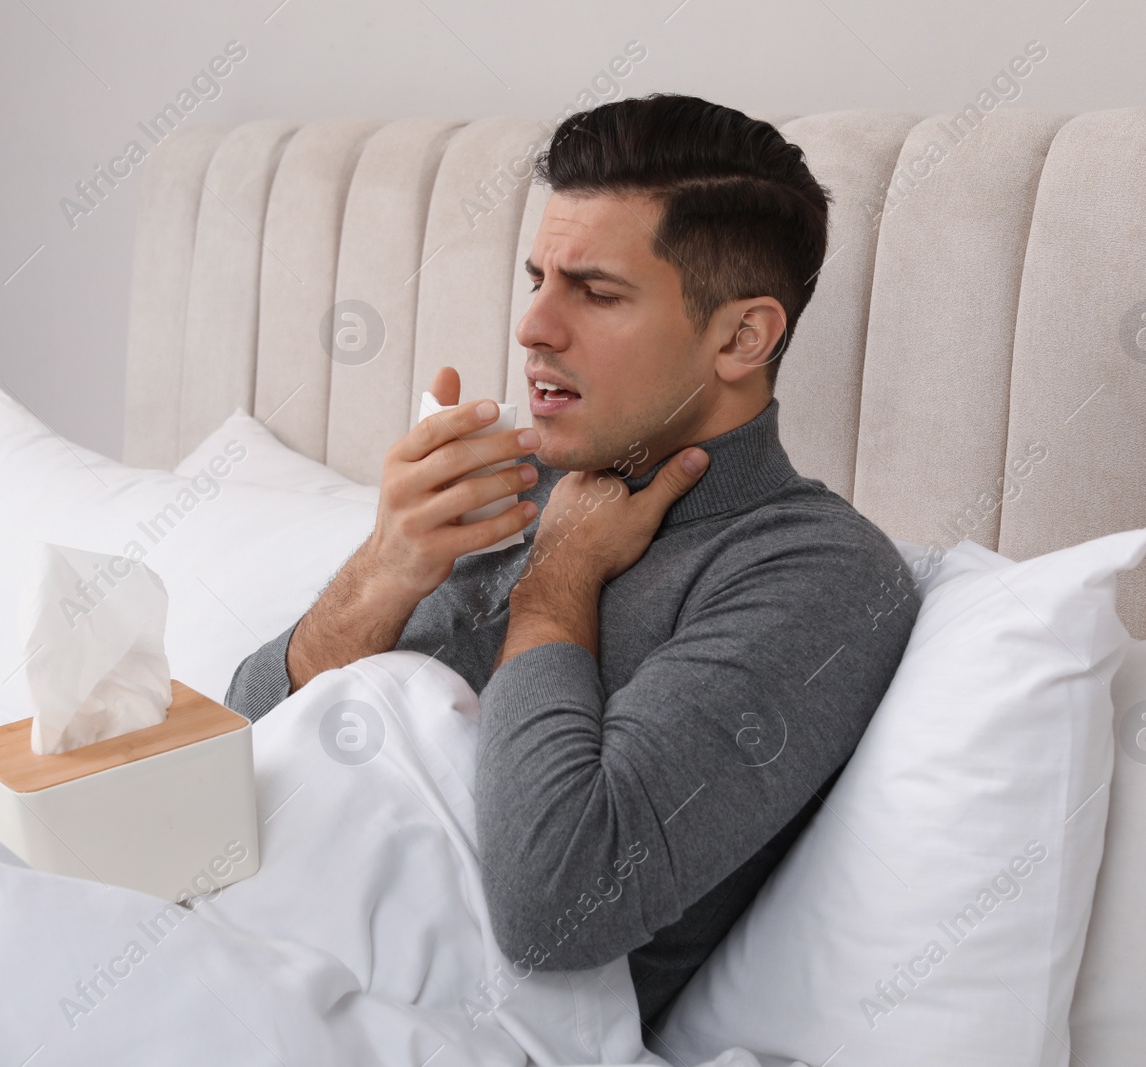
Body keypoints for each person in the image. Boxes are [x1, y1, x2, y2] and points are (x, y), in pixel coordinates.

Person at [227, 93, 920, 1033]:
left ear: (742, 337)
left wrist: (559, 583)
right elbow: (227, 766)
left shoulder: (816, 574)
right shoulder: (515, 488)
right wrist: (386, 567)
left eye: (595, 293)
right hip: (228, 932)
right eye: (538, 278)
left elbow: (560, 903)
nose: (533, 328)